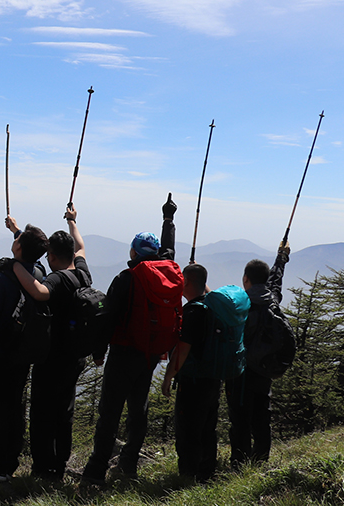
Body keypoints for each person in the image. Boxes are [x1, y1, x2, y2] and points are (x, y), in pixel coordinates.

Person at [80, 197, 180, 486]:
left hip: (124, 352)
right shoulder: (168, 271)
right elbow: (169, 249)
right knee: (139, 410)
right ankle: (129, 465)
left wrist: (98, 352)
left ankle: (95, 472)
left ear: (134, 253)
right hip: (151, 354)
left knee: (109, 412)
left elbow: (108, 318)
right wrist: (169, 220)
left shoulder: (127, 277)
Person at [9, 206, 89, 481]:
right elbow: (80, 246)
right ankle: (60, 463)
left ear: (52, 256)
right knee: (64, 411)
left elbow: (39, 291)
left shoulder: (56, 279)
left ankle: (43, 467)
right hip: (76, 356)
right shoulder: (81, 271)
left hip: (52, 357)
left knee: (43, 413)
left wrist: (15, 265)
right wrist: (72, 222)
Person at [0, 218, 50, 481]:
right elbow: (33, 251)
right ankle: (11, 460)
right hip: (24, 352)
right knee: (16, 406)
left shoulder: (4, 278)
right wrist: (17, 231)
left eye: (18, 239)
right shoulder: (38, 272)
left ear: (18, 248)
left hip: (2, 353)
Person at [163, 263, 248, 482]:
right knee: (207, 427)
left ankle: (188, 476)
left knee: (188, 430)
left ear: (187, 282)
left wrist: (168, 377)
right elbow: (201, 287)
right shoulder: (212, 307)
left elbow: (183, 349)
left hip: (193, 380)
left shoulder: (193, 311)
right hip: (213, 377)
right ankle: (207, 472)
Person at [225, 244, 290, 467]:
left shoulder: (240, 304)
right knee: (262, 416)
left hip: (241, 373)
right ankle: (261, 461)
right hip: (264, 368)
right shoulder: (272, 300)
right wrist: (281, 259)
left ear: (245, 279)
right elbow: (276, 281)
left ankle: (239, 463)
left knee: (240, 419)